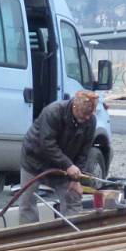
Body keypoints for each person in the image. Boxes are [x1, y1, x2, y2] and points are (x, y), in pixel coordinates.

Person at [18, 90, 98, 225]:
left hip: (64, 165)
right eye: (84, 114)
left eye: (89, 115)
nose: (86, 118)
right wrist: (68, 165)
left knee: (73, 197)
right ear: (74, 106)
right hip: (35, 160)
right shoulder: (53, 112)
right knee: (27, 201)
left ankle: (73, 237)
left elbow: (84, 152)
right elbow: (47, 144)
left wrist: (76, 177)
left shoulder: (90, 121)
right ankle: (28, 237)